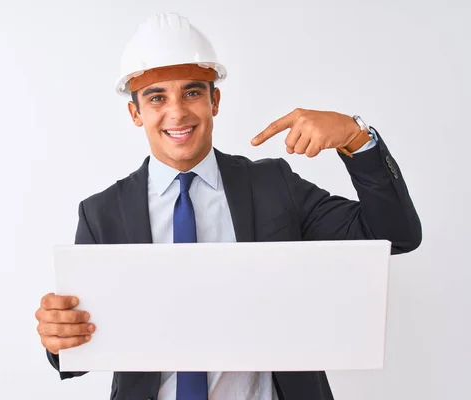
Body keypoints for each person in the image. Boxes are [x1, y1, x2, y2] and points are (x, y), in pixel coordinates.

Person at [34, 12, 422, 400]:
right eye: (156, 97)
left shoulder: (273, 185)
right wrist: (58, 336)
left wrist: (355, 139)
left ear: (214, 100)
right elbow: (79, 350)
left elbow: (394, 236)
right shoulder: (101, 214)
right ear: (136, 113)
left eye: (192, 92)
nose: (178, 112)